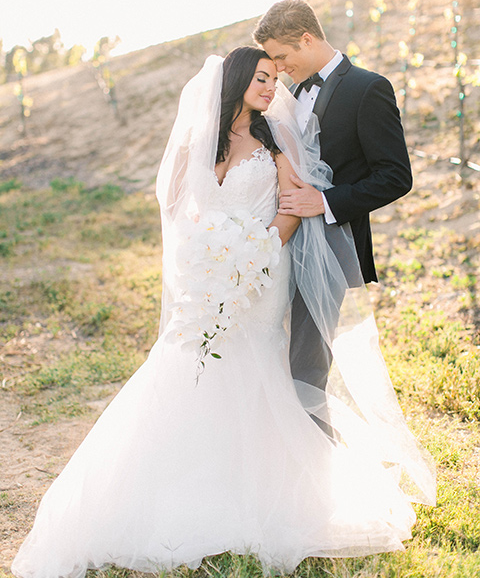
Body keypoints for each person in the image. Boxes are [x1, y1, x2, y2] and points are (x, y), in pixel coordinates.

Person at [12, 47, 434, 578]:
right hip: (208, 272)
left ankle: (259, 484)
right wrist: (202, 249)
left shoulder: (274, 139)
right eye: (261, 79)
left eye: (273, 78)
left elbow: (290, 205)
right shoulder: (199, 139)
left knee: (252, 364)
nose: (270, 88)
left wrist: (257, 255)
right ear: (236, 82)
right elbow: (175, 202)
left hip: (264, 267)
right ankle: (180, 481)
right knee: (186, 363)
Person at [253, 0, 413, 405]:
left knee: (307, 362)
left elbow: (396, 177)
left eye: (282, 57)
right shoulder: (286, 93)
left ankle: (311, 456)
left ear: (307, 39)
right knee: (269, 345)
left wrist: (323, 202)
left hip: (328, 244)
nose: (280, 69)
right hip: (279, 240)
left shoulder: (368, 88)